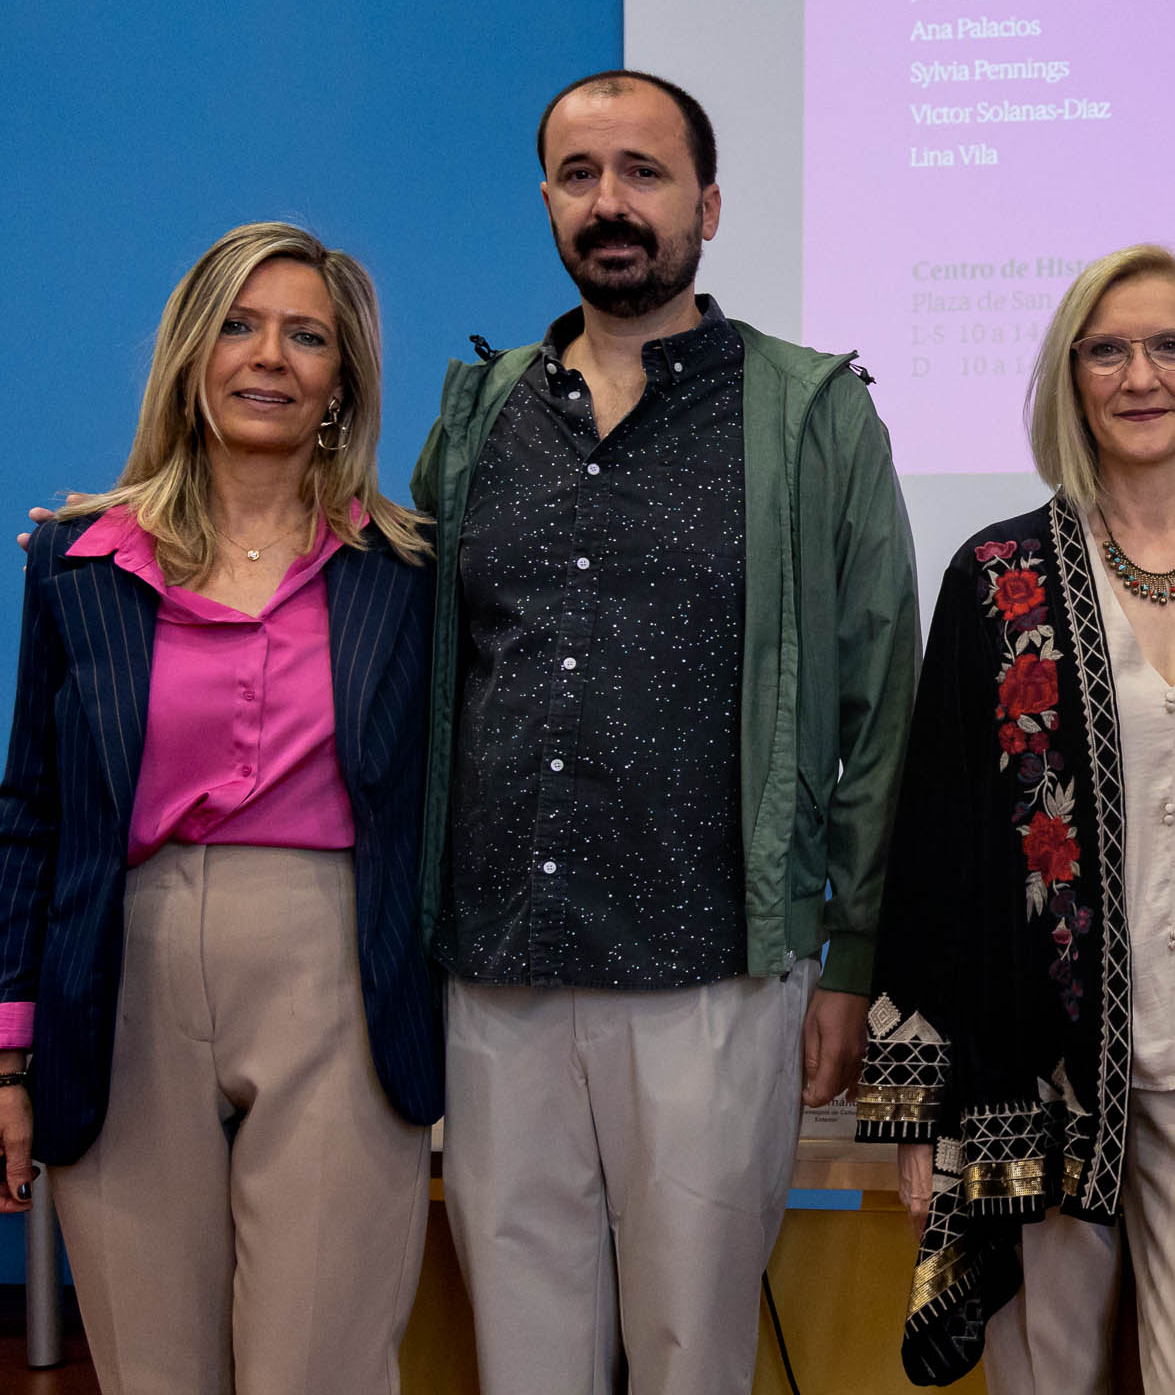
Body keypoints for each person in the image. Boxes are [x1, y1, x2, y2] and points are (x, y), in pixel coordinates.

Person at [411, 69, 922, 1395]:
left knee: (692, 1353)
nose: (611, 202)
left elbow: (882, 707)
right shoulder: (479, 416)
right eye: (579, 175)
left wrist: (854, 959)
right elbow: (388, 637)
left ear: (708, 203)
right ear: (546, 202)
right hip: (502, 960)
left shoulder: (810, 414)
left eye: (643, 171)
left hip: (713, 967)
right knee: (523, 1355)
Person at [0, 223, 440, 1395]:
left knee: (319, 1364)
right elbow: (33, 814)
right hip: (120, 974)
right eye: (239, 325)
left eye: (307, 335)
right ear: (190, 352)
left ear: (342, 379)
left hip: (339, 974)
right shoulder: (77, 559)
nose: (269, 356)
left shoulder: (412, 568)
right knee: (152, 1367)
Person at [869, 245, 1175, 1391]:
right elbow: (934, 843)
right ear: (1070, 378)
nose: (1141, 374)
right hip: (1038, 1072)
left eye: (1172, 345)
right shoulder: (998, 573)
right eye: (1107, 350)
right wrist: (918, 1105)